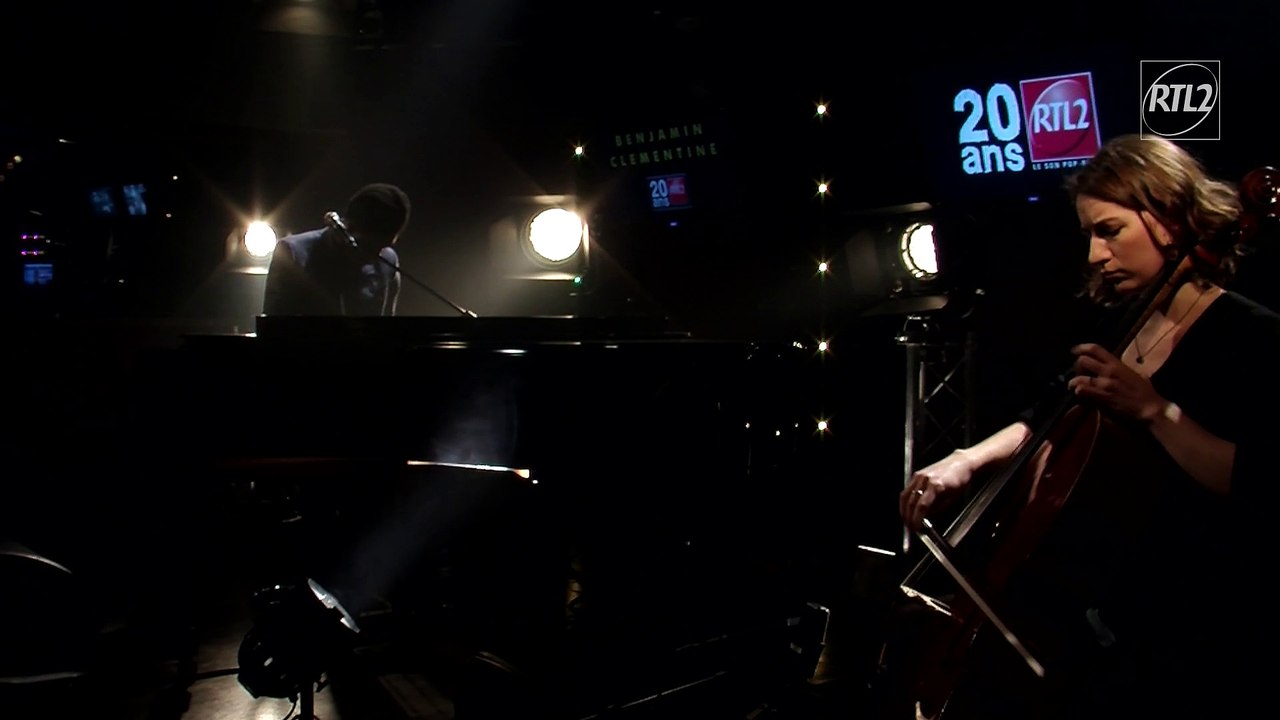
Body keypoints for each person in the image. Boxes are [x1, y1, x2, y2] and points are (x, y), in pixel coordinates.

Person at [894, 134, 1280, 719]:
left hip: (1194, 630)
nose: (1096, 254)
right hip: (1101, 622)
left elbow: (1253, 480)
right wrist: (966, 459)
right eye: (1089, 236)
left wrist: (1152, 410)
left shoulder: (1249, 336)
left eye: (1111, 230)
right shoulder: (1122, 326)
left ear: (1170, 218)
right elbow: (1049, 418)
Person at [263, 182, 411, 316]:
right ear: (347, 230)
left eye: (383, 247)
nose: (376, 255)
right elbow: (274, 331)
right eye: (369, 247)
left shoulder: (388, 262)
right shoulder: (292, 253)